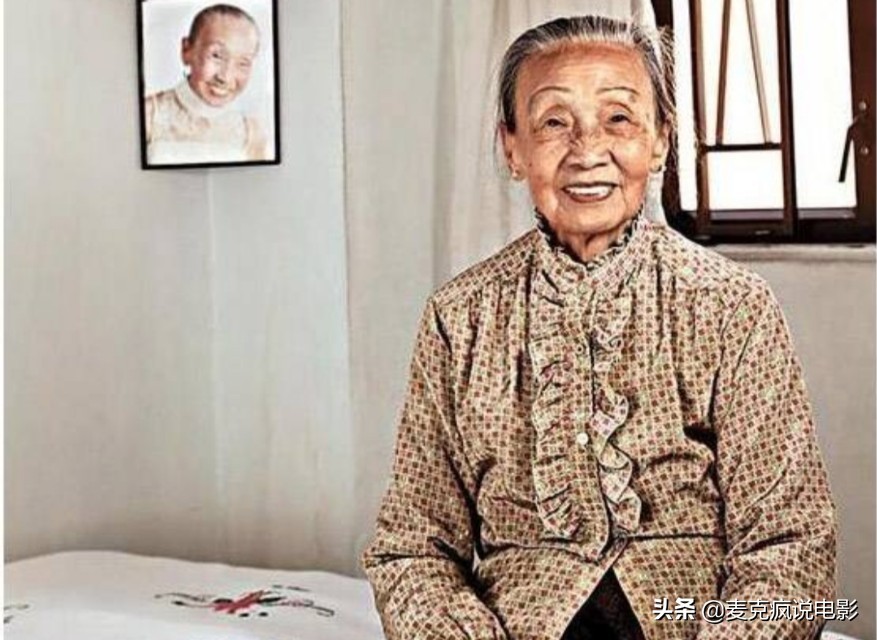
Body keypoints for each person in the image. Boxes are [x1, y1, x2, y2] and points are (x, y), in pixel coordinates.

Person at [361, 15, 837, 640]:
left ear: (660, 140)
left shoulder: (731, 307)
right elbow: (411, 547)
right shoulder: (459, 317)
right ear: (512, 147)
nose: (587, 151)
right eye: (554, 122)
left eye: (618, 118)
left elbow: (791, 544)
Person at [144, 3, 268, 165]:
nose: (225, 77)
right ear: (186, 50)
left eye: (243, 63)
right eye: (216, 56)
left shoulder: (250, 132)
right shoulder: (150, 115)